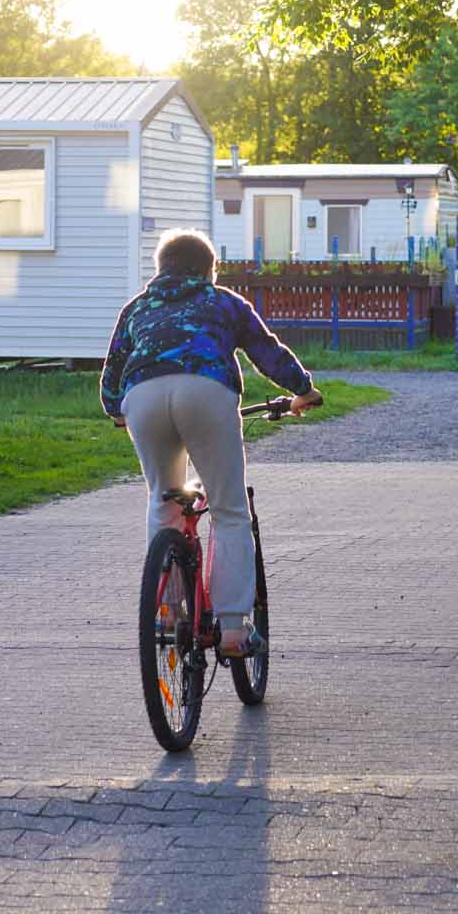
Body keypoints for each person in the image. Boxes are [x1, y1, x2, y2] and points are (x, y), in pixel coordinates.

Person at [101, 228, 320, 657]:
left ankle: (168, 612)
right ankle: (234, 630)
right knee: (228, 508)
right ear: (209, 270)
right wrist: (303, 390)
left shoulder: (136, 308)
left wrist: (118, 412)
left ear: (159, 269)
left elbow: (111, 376)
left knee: (162, 501)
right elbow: (267, 352)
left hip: (142, 397)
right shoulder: (223, 302)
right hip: (207, 391)